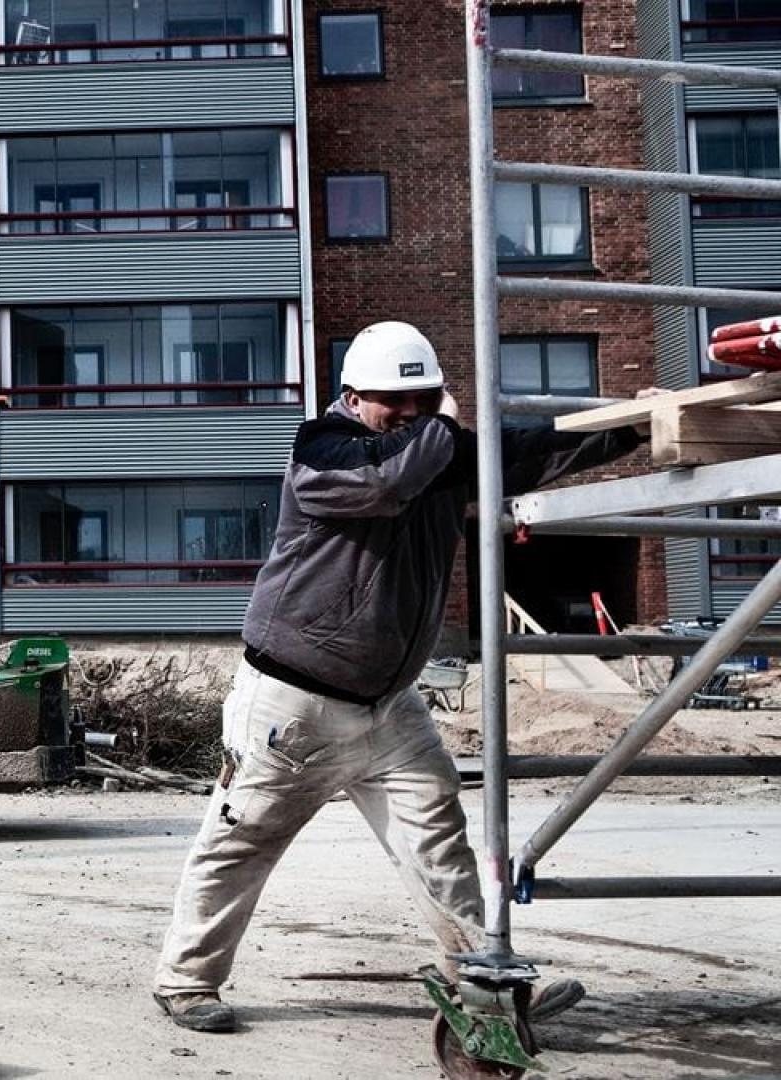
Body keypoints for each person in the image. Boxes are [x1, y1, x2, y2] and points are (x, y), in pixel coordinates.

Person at [152, 321, 653, 1033]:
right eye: (396, 401)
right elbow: (391, 478)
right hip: (293, 706)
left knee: (438, 839)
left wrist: (631, 426)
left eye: (422, 399)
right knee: (239, 843)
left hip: (389, 705)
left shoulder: (430, 449)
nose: (412, 412)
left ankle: (484, 981)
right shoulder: (322, 452)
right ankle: (186, 981)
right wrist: (446, 426)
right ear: (352, 397)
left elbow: (526, 451)